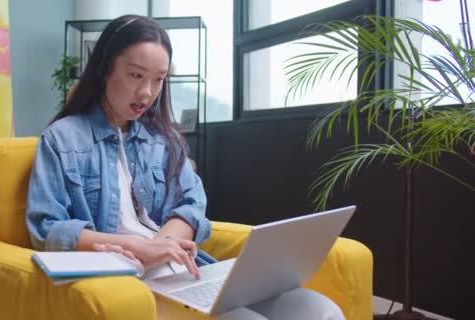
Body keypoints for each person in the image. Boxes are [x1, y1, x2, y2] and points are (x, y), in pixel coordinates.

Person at [26, 14, 345, 320]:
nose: (147, 92)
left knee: (318, 310)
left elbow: (192, 204)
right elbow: (47, 229)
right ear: (105, 70)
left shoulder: (163, 140)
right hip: (124, 279)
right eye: (136, 75)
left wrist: (160, 246)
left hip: (183, 271)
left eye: (159, 79)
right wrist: (139, 249)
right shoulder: (61, 139)